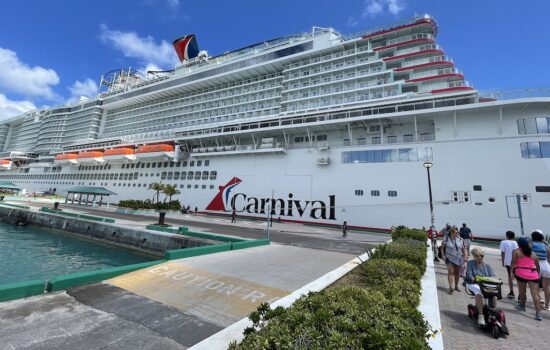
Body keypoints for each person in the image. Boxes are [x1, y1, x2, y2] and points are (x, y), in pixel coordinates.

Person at [511, 237, 542, 320]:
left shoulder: (516, 251)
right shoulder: (533, 254)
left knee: (522, 291)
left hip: (521, 273)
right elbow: (538, 267)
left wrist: (511, 273)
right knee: (535, 294)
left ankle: (522, 306)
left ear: (519, 244)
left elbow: (513, 263)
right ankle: (538, 314)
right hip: (533, 274)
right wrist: (537, 276)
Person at [465, 247, 496, 325]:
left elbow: (493, 276)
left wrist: (493, 280)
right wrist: (473, 279)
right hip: (472, 283)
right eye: (477, 256)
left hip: (484, 285)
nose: (480, 257)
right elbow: (469, 274)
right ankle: (481, 315)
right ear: (474, 256)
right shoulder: (470, 263)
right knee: (479, 291)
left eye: (481, 256)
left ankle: (492, 312)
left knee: (493, 294)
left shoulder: (487, 266)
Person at [441, 227, 467, 294]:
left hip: (458, 258)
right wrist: (443, 256)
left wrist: (465, 257)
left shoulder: (460, 239)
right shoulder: (446, 238)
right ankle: (450, 287)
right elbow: (442, 248)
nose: (457, 233)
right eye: (455, 232)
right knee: (451, 272)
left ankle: (456, 286)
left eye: (457, 232)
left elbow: (463, 249)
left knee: (457, 273)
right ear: (452, 232)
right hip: (449, 258)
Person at [531, 229, 550, 310]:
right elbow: (549, 257)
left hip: (536, 266)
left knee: (535, 285)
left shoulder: (531, 245)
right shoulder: (546, 246)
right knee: (547, 287)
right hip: (546, 266)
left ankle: (540, 299)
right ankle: (547, 306)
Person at [500, 230, 518, 298]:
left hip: (508, 262)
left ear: (507, 236)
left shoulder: (503, 242)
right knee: (517, 277)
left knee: (510, 276)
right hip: (516, 262)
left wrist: (502, 262)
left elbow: (502, 253)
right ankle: (520, 294)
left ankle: (511, 291)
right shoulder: (515, 242)